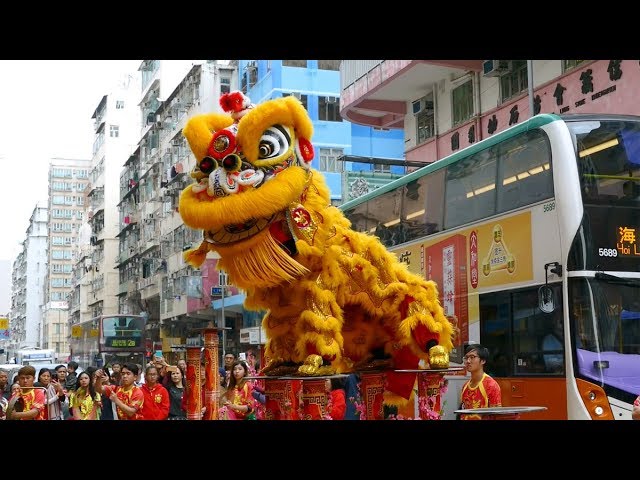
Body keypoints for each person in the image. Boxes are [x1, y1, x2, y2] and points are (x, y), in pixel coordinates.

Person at [459, 344, 502, 420]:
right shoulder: (465, 386)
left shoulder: (491, 385)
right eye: (466, 358)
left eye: (472, 357)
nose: (468, 361)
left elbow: (497, 416)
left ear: (483, 361)